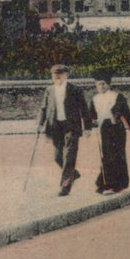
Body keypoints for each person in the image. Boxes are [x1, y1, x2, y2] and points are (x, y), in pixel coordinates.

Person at [37, 64, 93, 196]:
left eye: (60, 74)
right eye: (54, 75)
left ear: (66, 75)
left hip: (72, 126)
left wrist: (87, 127)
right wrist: (40, 124)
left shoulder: (75, 90)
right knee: (57, 157)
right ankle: (73, 174)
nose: (57, 77)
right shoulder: (49, 90)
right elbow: (44, 108)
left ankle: (65, 186)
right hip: (55, 127)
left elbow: (84, 109)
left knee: (69, 156)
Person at [89, 70, 130, 195]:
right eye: (99, 84)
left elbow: (128, 115)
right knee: (107, 155)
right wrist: (90, 125)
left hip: (117, 129)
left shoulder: (117, 96)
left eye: (103, 84)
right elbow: (91, 116)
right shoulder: (94, 99)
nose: (101, 87)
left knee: (118, 155)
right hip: (103, 129)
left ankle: (120, 184)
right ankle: (107, 183)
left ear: (108, 84)